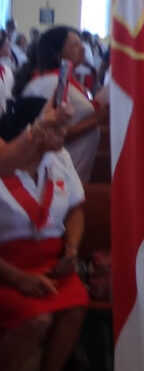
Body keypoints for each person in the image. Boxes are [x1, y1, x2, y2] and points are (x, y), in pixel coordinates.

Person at [0, 101, 85, 371]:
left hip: (52, 264)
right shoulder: (5, 165)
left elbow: (75, 210)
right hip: (8, 269)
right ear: (32, 132)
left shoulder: (60, 158)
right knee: (38, 320)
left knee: (76, 304)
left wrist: (71, 249)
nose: (65, 131)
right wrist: (19, 278)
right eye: (55, 127)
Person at [12, 26, 108, 182]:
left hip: (71, 171)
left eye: (81, 43)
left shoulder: (66, 80)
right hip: (55, 175)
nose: (83, 48)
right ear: (57, 54)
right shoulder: (50, 84)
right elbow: (46, 134)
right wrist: (96, 119)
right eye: (75, 44)